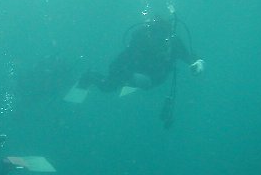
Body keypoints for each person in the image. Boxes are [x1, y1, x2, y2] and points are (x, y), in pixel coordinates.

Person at [67, 14, 204, 127]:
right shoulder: (140, 41)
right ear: (149, 33)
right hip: (136, 73)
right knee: (108, 87)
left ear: (169, 35)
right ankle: (89, 76)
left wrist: (198, 64)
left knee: (144, 83)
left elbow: (190, 57)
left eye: (163, 37)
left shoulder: (174, 43)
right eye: (155, 35)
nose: (159, 41)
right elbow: (119, 63)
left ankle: (129, 82)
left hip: (153, 77)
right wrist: (126, 77)